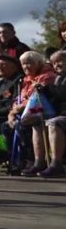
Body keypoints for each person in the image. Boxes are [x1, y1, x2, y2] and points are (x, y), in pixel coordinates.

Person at [7, 51, 56, 175]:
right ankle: (18, 161)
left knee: (25, 124)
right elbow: (18, 99)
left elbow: (36, 99)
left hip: (43, 111)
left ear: (38, 63)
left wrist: (19, 108)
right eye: (23, 64)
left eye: (29, 63)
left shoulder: (47, 76)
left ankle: (33, 160)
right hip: (24, 112)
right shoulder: (25, 79)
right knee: (6, 126)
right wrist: (11, 113)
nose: (26, 67)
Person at [37, 49, 66, 178]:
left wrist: (48, 89)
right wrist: (43, 92)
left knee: (54, 123)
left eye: (60, 61)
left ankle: (56, 164)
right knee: (36, 121)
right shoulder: (58, 79)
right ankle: (38, 161)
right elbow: (56, 99)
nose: (57, 65)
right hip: (61, 114)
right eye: (54, 63)